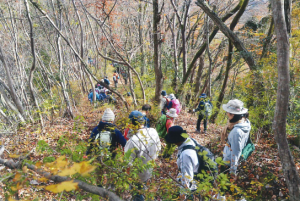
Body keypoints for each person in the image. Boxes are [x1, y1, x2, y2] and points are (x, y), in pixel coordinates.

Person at [124, 111, 161, 201]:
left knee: (138, 195)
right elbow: (159, 148)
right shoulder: (153, 132)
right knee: (148, 193)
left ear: (131, 123)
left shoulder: (133, 141)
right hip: (151, 170)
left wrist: (127, 178)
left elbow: (127, 163)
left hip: (138, 175)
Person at [164, 126, 199, 197]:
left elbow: (187, 177)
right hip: (196, 179)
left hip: (192, 187)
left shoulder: (185, 155)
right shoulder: (190, 141)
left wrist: (183, 195)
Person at [221, 99, 251, 175]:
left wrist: (232, 171)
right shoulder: (245, 122)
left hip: (229, 163)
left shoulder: (236, 132)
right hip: (234, 159)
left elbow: (235, 152)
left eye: (228, 112)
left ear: (233, 114)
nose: (227, 113)